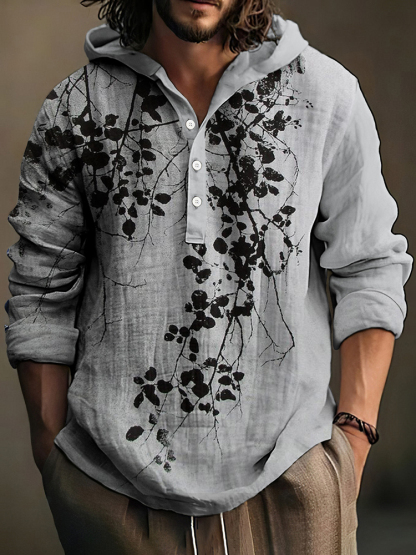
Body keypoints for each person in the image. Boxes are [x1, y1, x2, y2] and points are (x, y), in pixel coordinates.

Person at [4, 0, 413, 553]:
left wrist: (353, 444)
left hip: (293, 485)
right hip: (113, 496)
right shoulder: (76, 108)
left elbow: (368, 265)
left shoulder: (324, 94)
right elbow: (40, 287)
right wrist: (55, 458)